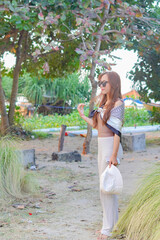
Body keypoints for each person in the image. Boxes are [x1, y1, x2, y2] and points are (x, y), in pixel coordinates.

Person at [77, 71, 124, 240]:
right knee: (106, 187)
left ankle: (107, 229)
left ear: (114, 84)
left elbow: (117, 132)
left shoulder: (118, 103)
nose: (102, 86)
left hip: (111, 146)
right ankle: (112, 226)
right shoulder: (104, 104)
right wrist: (82, 115)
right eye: (100, 83)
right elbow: (97, 125)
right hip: (102, 146)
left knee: (106, 189)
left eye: (105, 83)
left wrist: (113, 155)